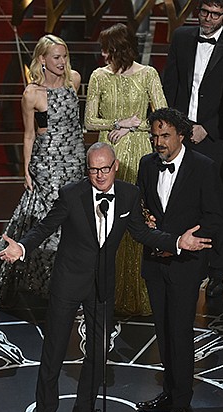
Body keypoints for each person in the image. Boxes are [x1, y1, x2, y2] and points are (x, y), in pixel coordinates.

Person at [0, 142, 211, 412]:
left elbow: (142, 233)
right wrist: (22, 246)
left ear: (115, 166)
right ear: (88, 170)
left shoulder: (128, 194)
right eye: (93, 169)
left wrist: (177, 242)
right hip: (69, 281)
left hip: (101, 285)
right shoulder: (72, 194)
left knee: (98, 352)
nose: (99, 175)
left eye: (105, 169)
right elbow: (45, 227)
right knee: (54, 350)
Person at [135, 108, 223, 412]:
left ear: (182, 135)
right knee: (163, 330)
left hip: (186, 265)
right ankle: (169, 393)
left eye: (165, 136)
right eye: (155, 136)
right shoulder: (146, 165)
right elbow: (140, 207)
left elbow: (216, 218)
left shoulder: (204, 168)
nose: (158, 142)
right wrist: (145, 222)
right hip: (155, 263)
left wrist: (185, 241)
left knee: (180, 332)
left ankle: (182, 403)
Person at [0, 34, 85, 306]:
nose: (62, 62)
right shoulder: (31, 94)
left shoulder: (74, 81)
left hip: (75, 162)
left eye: (64, 56)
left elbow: (75, 124)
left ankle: (70, 281)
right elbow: (29, 135)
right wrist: (26, 170)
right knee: (48, 221)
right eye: (56, 57)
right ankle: (45, 280)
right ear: (42, 59)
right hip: (47, 164)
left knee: (74, 222)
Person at [163, 0, 223, 298]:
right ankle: (185, 261)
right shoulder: (182, 37)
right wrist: (175, 127)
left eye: (215, 14)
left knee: (215, 206)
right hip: (181, 135)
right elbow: (170, 85)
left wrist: (208, 127)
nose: (208, 19)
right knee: (179, 200)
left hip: (216, 139)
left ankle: (217, 272)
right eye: (204, 12)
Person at [85, 23, 167, 316]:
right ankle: (104, 291)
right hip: (107, 154)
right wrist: (118, 124)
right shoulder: (98, 77)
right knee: (104, 223)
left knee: (137, 220)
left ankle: (139, 292)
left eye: (107, 49)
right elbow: (89, 121)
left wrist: (137, 125)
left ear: (119, 49)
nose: (103, 54)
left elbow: (162, 120)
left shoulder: (148, 75)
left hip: (140, 155)